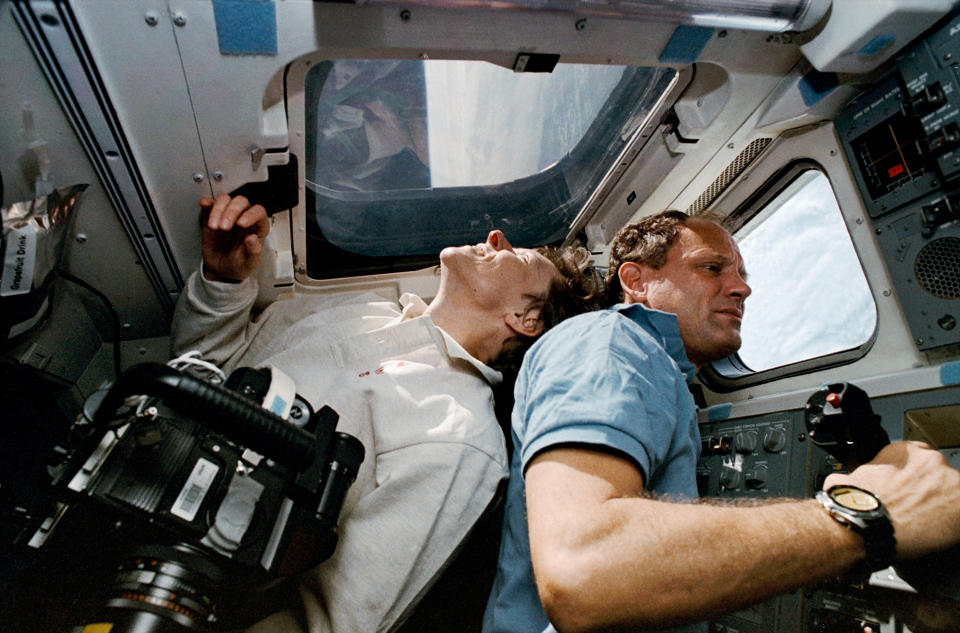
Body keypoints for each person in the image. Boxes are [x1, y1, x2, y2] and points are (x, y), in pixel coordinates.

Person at [482, 210, 960, 633]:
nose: (742, 287)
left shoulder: (662, 373)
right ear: (636, 279)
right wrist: (864, 516)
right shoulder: (609, 343)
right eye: (711, 268)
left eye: (741, 273)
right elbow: (584, 570)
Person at [170, 194, 602, 633]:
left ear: (525, 318)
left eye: (520, 258)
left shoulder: (461, 436)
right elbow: (206, 367)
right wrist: (223, 282)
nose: (496, 237)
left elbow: (337, 623)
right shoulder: (357, 308)